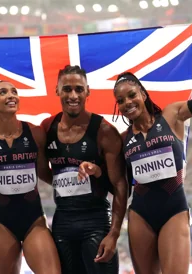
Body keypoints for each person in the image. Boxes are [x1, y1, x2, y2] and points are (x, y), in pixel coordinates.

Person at [112, 20, 192, 274]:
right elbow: (118, 184)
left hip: (174, 209)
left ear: (143, 94)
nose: (127, 102)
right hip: (140, 214)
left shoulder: (172, 115)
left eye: (131, 95)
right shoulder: (122, 139)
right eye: (120, 101)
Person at [0, 81, 61, 274]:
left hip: (33, 219)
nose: (11, 96)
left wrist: (77, 182)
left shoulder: (35, 133)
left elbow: (44, 173)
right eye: (3, 92)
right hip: (2, 222)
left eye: (14, 92)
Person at [41, 65, 128, 274]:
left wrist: (114, 234)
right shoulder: (46, 127)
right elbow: (36, 166)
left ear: (88, 92)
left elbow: (119, 185)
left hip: (96, 223)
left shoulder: (104, 131)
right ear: (57, 91)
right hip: (62, 222)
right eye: (67, 89)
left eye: (79, 89)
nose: (73, 95)